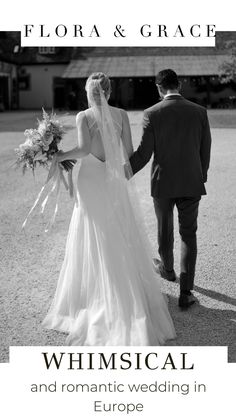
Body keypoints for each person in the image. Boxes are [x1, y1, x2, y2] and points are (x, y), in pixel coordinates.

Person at [42, 72, 176, 345]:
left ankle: (94, 294)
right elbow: (127, 152)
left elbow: (82, 149)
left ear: (90, 92)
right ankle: (126, 292)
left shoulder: (84, 116)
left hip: (90, 178)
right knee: (117, 230)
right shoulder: (122, 115)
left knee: (92, 231)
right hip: (111, 179)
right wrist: (113, 163)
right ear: (109, 91)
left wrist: (59, 155)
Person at [129, 69, 212, 309]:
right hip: (191, 182)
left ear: (158, 88)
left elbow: (144, 154)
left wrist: (122, 173)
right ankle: (186, 293)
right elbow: (205, 149)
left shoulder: (151, 113)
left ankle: (167, 270)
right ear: (180, 85)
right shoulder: (199, 112)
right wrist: (201, 175)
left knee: (164, 229)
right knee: (189, 235)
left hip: (163, 182)